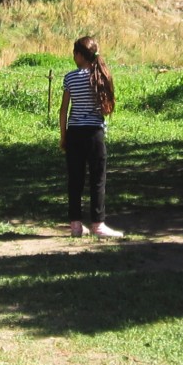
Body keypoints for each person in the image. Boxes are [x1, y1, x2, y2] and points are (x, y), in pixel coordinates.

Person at [59, 36, 123, 237]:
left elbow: (63, 111)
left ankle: (75, 225)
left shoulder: (70, 78)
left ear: (79, 55)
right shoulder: (101, 75)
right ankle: (98, 224)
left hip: (75, 133)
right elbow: (107, 106)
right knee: (97, 179)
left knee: (75, 180)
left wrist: (63, 136)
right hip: (95, 133)